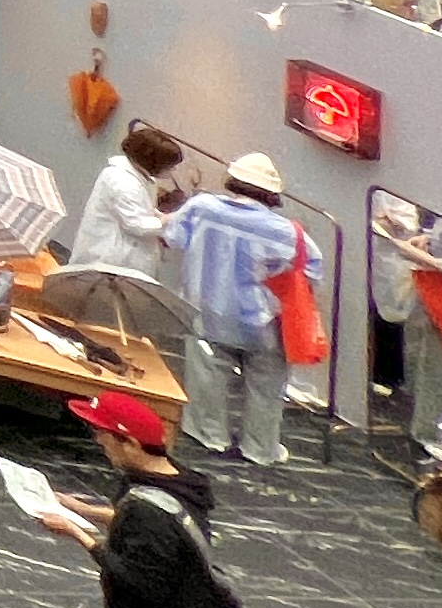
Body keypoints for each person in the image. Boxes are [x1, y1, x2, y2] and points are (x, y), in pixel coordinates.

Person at [52, 390, 238, 608]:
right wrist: (82, 508)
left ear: (131, 444)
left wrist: (79, 535)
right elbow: (143, 520)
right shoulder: (173, 482)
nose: (99, 441)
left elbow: (140, 581)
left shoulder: (148, 511)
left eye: (104, 435)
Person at [166, 152, 315, 468]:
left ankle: (211, 435)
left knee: (207, 378)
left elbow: (173, 238)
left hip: (206, 313)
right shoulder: (286, 230)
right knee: (266, 387)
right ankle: (261, 449)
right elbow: (313, 270)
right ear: (271, 192)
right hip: (262, 321)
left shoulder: (202, 208)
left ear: (232, 180)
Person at [73, 122, 187, 277]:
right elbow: (137, 225)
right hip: (110, 261)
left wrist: (157, 215)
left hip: (118, 258)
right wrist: (167, 219)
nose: (173, 171)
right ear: (152, 162)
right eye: (170, 166)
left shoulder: (136, 177)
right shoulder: (122, 182)